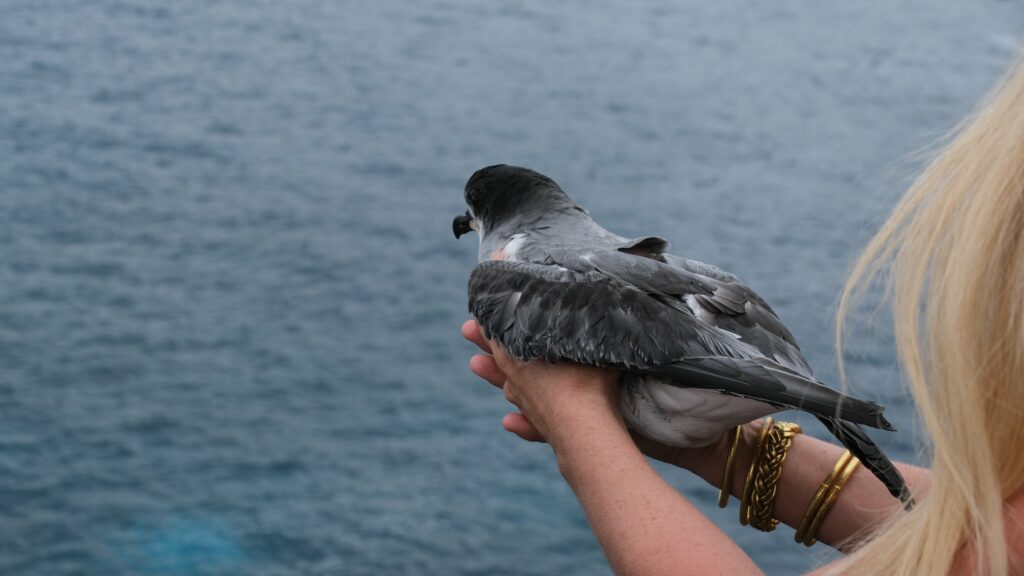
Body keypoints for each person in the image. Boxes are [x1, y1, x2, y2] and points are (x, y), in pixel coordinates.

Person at [461, 56, 1024, 575]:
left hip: (693, 375)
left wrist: (576, 426)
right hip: (727, 375)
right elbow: (991, 541)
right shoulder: (688, 272)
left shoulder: (503, 274)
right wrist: (726, 447)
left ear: (486, 216)